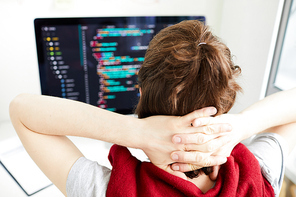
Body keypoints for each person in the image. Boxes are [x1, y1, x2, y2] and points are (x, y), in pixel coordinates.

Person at [9, 19, 295, 197]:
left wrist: (135, 132)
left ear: (142, 93)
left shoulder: (108, 190)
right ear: (224, 108)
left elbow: (22, 110)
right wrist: (242, 126)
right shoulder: (258, 175)